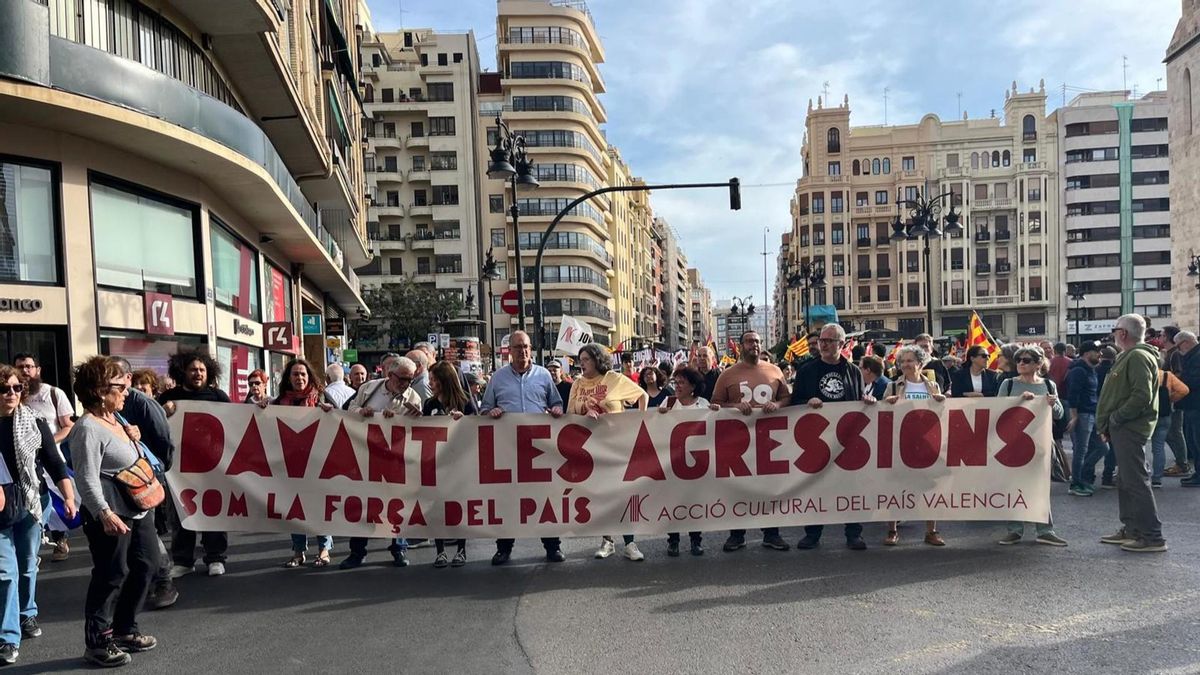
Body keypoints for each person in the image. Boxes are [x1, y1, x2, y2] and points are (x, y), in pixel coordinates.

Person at [70, 356, 160, 667]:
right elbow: (85, 475)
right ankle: (98, 642)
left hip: (136, 509)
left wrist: (135, 437)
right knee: (111, 575)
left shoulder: (116, 419)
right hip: (111, 514)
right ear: (98, 390)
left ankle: (124, 629)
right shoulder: (87, 429)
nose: (126, 390)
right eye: (119, 386)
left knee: (147, 564)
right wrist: (103, 512)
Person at [0, 364, 74, 665]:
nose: (12, 394)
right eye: (5, 389)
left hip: (31, 500)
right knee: (5, 572)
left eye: (17, 388)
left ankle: (27, 613)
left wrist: (68, 495)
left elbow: (54, 462)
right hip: (1, 505)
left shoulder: (34, 421)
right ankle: (8, 637)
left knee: (27, 562)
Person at [481, 331, 565, 565]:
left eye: (526, 346)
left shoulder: (544, 376)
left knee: (544, 498)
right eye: (518, 347)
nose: (523, 351)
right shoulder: (498, 378)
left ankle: (552, 547)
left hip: (539, 450)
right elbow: (485, 408)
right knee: (508, 500)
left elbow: (556, 402)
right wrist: (491, 412)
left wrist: (557, 410)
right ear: (510, 350)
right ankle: (504, 548)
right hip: (508, 450)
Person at [790, 323, 875, 551]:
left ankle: (854, 533)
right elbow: (794, 402)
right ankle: (813, 533)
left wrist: (867, 403)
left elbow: (857, 402)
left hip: (846, 440)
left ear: (841, 344)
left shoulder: (853, 371)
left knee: (850, 486)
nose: (824, 344)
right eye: (822, 340)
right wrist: (807, 402)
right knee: (815, 486)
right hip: (816, 440)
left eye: (829, 341)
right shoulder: (807, 370)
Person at [567, 344, 649, 561]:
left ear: (596, 360)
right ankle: (607, 541)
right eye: (580, 359)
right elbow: (569, 414)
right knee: (601, 495)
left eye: (585, 359)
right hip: (590, 448)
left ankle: (630, 542)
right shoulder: (577, 384)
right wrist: (585, 414)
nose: (581, 364)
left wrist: (637, 422)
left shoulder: (614, 378)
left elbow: (642, 396)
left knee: (623, 494)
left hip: (617, 446)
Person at [712, 330, 792, 553]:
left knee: (771, 488)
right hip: (738, 442)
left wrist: (777, 405)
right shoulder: (727, 375)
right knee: (739, 488)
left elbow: (786, 398)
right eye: (749, 341)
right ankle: (737, 535)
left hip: (770, 441)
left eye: (757, 341)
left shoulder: (775, 371)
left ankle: (772, 533)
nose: (754, 345)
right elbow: (716, 404)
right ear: (740, 346)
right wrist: (735, 406)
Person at [108, 357, 177, 610]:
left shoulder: (144, 405)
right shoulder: (105, 405)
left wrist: (153, 472)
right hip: (117, 481)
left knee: (148, 533)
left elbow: (163, 442)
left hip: (143, 479)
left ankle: (164, 581)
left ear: (127, 379)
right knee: (131, 535)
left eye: (114, 376)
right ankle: (137, 584)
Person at [339, 357, 422, 569]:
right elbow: (350, 410)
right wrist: (362, 412)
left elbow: (415, 430)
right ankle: (357, 552)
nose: (405, 384)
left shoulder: (413, 397)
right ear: (390, 375)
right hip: (365, 456)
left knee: (397, 504)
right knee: (363, 504)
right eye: (402, 378)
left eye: (410, 379)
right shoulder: (369, 389)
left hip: (394, 459)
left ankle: (399, 548)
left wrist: (407, 419)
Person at [1096, 314, 1166, 552]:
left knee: (1135, 481)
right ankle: (1133, 528)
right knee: (1126, 481)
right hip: (1124, 427)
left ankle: (1151, 535)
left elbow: (1141, 396)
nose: (1114, 333)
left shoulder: (1136, 356)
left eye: (1115, 329)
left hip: (1129, 428)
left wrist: (1115, 418)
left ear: (1123, 333)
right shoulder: (1130, 356)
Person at [157, 351, 230, 579]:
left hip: (211, 466)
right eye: (193, 370)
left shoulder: (218, 397)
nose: (198, 373)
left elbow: (238, 424)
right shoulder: (169, 398)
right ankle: (183, 560)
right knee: (180, 515)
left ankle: (215, 557)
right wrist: (162, 412)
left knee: (213, 512)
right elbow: (154, 425)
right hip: (179, 469)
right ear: (183, 372)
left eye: (201, 370)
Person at [264, 359, 336, 568]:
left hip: (318, 464)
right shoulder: (279, 402)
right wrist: (261, 410)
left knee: (319, 508)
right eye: (295, 374)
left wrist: (330, 412)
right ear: (289, 378)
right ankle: (298, 552)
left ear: (309, 376)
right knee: (294, 509)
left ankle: (324, 549)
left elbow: (342, 419)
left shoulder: (321, 397)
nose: (299, 378)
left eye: (303, 374)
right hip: (290, 465)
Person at [995, 345, 1068, 546]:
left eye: (1026, 360)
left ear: (1038, 364)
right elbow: (997, 410)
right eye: (1018, 360)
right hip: (1013, 443)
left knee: (1041, 487)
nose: (1020, 364)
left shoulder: (1048, 385)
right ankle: (1015, 529)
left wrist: (1054, 404)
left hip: (1042, 443)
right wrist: (1019, 401)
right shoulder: (1008, 384)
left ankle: (1044, 530)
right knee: (1014, 486)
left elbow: (1059, 415)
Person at [881, 345, 946, 547]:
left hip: (926, 444)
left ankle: (931, 531)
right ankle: (892, 530)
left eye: (910, 360)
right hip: (900, 443)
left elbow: (941, 418)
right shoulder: (893, 386)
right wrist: (887, 403)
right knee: (896, 486)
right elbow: (881, 415)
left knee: (929, 488)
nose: (906, 365)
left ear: (920, 363)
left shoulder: (933, 386)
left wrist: (942, 403)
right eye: (903, 361)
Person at [420, 361, 477, 568]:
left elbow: (479, 429)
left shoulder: (465, 403)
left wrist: (465, 421)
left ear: (444, 380)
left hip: (460, 464)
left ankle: (461, 550)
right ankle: (440, 551)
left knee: (458, 507)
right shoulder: (429, 404)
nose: (431, 383)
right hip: (436, 464)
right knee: (437, 507)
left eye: (434, 379)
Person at [657, 366, 712, 556]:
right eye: (676, 382)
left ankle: (696, 541)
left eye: (682, 382)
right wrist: (659, 415)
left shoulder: (704, 404)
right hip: (673, 461)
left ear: (693, 386)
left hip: (697, 463)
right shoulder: (669, 402)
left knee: (693, 502)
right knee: (674, 502)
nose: (677, 386)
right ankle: (673, 541)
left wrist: (717, 414)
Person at [1065, 342, 1105, 496]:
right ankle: (1076, 483)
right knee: (1081, 451)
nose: (1100, 355)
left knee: (1102, 448)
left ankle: (1079, 476)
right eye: (1097, 352)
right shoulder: (1079, 371)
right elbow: (1073, 394)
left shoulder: (1090, 370)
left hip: (1091, 414)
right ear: (1088, 353)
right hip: (1082, 414)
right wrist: (1074, 416)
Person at [1159, 327, 1191, 477]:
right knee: (1171, 432)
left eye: (1162, 334)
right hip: (1169, 397)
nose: (1160, 336)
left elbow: (1178, 374)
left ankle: (1182, 464)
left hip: (1173, 397)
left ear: (1168, 337)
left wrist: (1169, 389)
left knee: (1174, 431)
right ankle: (1181, 462)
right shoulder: (1169, 354)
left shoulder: (1174, 354)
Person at [1176, 332, 1200, 487]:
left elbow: (1194, 380)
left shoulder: (1196, 356)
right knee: (1193, 440)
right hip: (1192, 404)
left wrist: (1178, 381)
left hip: (1196, 404)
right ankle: (1197, 473)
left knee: (1197, 440)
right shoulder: (1193, 355)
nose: (1178, 350)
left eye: (1178, 346)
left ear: (1185, 342)